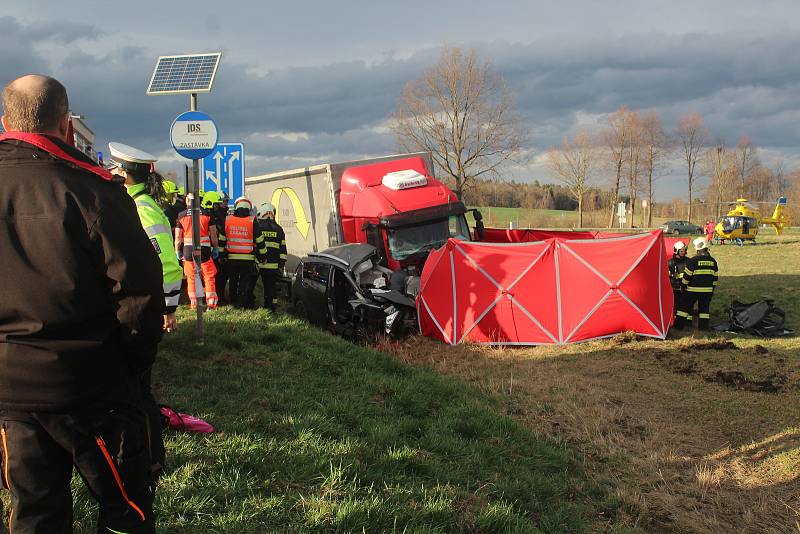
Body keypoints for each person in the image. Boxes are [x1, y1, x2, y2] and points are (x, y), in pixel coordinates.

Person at [0, 74, 162, 532]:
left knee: (33, 512)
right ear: (67, 125)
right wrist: (129, 365)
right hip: (91, 386)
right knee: (123, 509)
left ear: (5, 121)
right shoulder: (95, 190)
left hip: (11, 389)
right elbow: (140, 293)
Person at [107, 141, 183, 483]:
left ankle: (152, 461)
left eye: (115, 168)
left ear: (126, 173)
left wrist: (168, 308)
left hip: (146, 308)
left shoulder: (142, 208)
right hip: (141, 306)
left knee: (139, 390)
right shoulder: (133, 203)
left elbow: (168, 263)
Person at [175, 192, 219, 309]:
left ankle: (194, 303)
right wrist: (215, 248)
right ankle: (211, 303)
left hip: (187, 250)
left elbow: (178, 238)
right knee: (208, 276)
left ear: (187, 202)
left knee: (191, 276)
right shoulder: (207, 214)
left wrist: (177, 251)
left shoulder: (181, 215)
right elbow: (213, 235)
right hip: (204, 249)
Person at [225, 197, 266, 308]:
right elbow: (260, 240)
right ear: (249, 208)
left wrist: (222, 254)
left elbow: (222, 238)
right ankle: (241, 303)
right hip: (247, 259)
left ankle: (232, 301)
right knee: (244, 282)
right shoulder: (252, 221)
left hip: (231, 257)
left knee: (233, 281)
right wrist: (263, 256)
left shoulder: (228, 220)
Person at [675, 237, 719, 331]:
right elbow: (715, 278)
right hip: (707, 291)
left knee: (683, 307)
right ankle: (703, 328)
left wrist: (683, 286)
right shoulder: (713, 262)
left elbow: (687, 277)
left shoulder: (693, 261)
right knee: (704, 310)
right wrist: (711, 290)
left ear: (697, 248)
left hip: (692, 290)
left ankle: (678, 327)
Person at [256, 202, 287, 311]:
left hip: (258, 265)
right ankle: (271, 309)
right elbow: (283, 250)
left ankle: (257, 307)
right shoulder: (279, 229)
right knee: (271, 289)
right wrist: (281, 265)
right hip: (273, 267)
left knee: (256, 287)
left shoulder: (258, 227)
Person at [203, 191, 230, 305]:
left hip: (218, 249)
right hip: (212, 249)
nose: (223, 204)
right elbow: (216, 233)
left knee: (218, 275)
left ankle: (218, 297)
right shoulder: (211, 215)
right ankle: (215, 298)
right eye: (221, 202)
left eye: (224, 201)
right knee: (215, 275)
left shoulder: (222, 214)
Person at [667, 241, 688, 319]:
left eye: (684, 250)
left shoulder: (688, 261)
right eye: (681, 251)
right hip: (674, 287)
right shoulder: (670, 263)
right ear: (676, 251)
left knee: (685, 304)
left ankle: (685, 320)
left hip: (685, 287)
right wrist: (672, 275)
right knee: (675, 304)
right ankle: (675, 317)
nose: (683, 252)